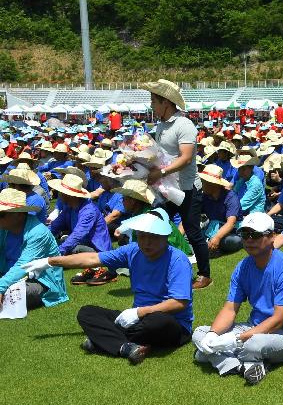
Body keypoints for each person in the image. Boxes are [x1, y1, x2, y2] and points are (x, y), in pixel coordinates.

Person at [25, 212, 194, 365]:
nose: (146, 242)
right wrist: (50, 261)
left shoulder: (177, 260)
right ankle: (125, 347)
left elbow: (178, 303)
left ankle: (103, 340)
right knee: (86, 312)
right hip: (138, 319)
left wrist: (139, 312)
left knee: (157, 322)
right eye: (142, 236)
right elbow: (92, 259)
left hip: (171, 323)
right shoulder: (133, 250)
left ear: (165, 236)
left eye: (153, 237)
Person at [193, 213, 283, 385]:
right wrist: (213, 335)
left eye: (255, 235)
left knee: (252, 344)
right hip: (253, 326)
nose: (249, 240)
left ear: (272, 237)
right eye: (244, 235)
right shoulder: (243, 266)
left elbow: (278, 320)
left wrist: (235, 339)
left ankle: (218, 356)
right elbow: (230, 309)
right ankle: (241, 366)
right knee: (200, 334)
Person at [142, 79, 211, 289]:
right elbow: (162, 155)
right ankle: (160, 268)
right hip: (167, 188)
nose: (152, 105)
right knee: (158, 225)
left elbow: (186, 158)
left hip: (187, 188)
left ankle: (205, 274)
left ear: (166, 102)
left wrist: (160, 171)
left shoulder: (184, 124)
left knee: (192, 231)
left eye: (154, 101)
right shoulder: (161, 126)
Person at [0, 189, 68, 310]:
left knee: (11, 293)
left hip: (40, 281)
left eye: (1, 214)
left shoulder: (38, 232)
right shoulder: (4, 228)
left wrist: (1, 286)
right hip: (9, 275)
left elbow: (24, 265)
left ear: (19, 214)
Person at [47, 174, 113, 285]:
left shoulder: (88, 211)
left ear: (69, 195)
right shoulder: (70, 208)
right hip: (83, 245)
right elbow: (54, 227)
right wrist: (41, 240)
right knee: (62, 242)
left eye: (61, 192)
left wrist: (59, 252)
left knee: (72, 246)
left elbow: (78, 235)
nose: (59, 195)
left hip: (97, 250)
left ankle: (96, 268)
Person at [198, 164, 243, 255]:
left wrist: (217, 238)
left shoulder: (231, 197)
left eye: (204, 182)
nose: (202, 185)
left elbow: (231, 223)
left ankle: (211, 244)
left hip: (231, 231)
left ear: (214, 184)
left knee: (234, 241)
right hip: (212, 227)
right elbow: (192, 214)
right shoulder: (205, 197)